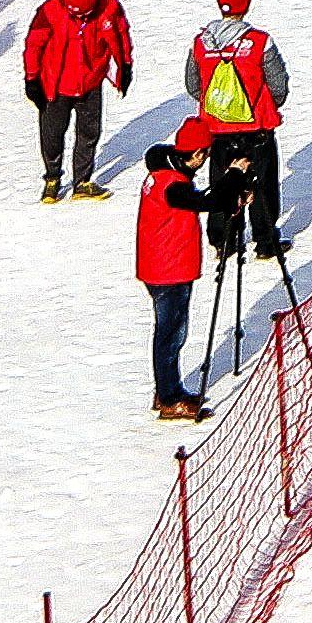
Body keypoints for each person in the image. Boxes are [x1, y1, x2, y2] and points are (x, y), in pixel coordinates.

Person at [186, 0, 290, 262]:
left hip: (217, 128)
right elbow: (277, 82)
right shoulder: (259, 41)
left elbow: (193, 85)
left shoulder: (201, 42)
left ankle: (224, 241)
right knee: (263, 183)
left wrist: (218, 106)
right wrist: (269, 103)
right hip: (257, 126)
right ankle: (266, 241)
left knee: (221, 183)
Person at [23, 0, 136, 201]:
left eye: (86, 14)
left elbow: (121, 35)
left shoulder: (110, 7)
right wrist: (32, 78)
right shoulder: (49, 12)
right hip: (55, 84)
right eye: (77, 14)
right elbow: (34, 44)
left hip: (90, 81)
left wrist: (125, 66)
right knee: (52, 134)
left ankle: (82, 182)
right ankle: (52, 179)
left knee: (89, 133)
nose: (83, 18)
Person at [134, 133, 217, 422]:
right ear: (194, 154)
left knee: (170, 332)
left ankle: (169, 389)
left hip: (161, 265)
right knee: (171, 334)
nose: (203, 161)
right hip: (169, 269)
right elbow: (206, 202)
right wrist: (233, 177)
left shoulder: (162, 173)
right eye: (202, 155)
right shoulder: (174, 185)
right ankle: (169, 397)